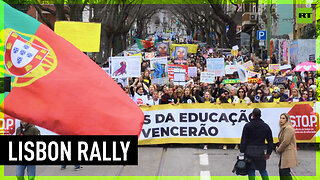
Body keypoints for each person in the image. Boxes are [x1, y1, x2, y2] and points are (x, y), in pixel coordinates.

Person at [240, 108, 273, 180]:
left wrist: (242, 152)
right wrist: (268, 153)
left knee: (251, 170)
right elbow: (270, 141)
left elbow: (243, 140)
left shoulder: (247, 126)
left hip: (249, 151)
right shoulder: (265, 126)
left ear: (252, 115)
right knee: (263, 170)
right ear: (260, 115)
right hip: (260, 151)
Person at [276, 113, 298, 180]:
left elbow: (286, 141)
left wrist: (279, 149)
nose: (281, 120)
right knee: (282, 171)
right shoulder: (284, 128)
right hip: (284, 153)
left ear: (287, 119)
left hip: (288, 152)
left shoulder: (288, 128)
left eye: (283, 118)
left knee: (285, 172)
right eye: (280, 118)